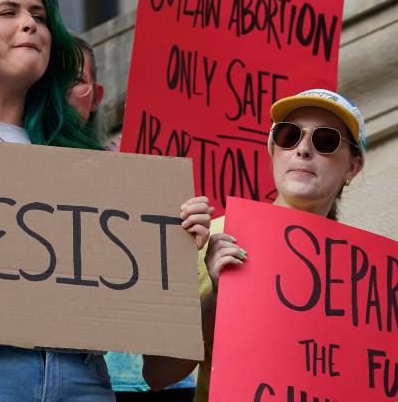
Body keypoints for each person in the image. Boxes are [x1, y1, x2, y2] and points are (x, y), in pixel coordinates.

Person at [0, 0, 212, 402]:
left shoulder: (93, 163)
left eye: (39, 17)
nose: (29, 24)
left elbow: (152, 348)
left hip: (77, 375)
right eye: (8, 13)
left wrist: (176, 247)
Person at [142, 88, 366, 401]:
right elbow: (157, 374)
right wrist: (219, 296)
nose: (303, 150)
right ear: (273, 149)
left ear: (352, 168)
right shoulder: (212, 237)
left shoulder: (368, 279)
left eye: (325, 141)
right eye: (289, 136)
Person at [66, 38, 201, 401]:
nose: (64, 89)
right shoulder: (15, 168)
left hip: (161, 379)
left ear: (96, 95)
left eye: (76, 79)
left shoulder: (138, 157)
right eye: (55, 77)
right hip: (80, 379)